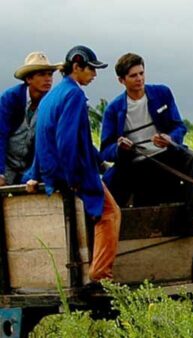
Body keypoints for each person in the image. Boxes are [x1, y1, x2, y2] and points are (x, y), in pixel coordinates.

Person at [25, 45, 121, 282]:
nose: (94, 75)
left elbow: (46, 138)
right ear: (76, 67)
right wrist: (74, 180)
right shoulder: (74, 95)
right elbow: (65, 141)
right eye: (91, 69)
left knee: (102, 208)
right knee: (111, 214)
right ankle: (101, 275)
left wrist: (36, 173)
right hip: (71, 174)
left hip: (54, 172)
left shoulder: (53, 95)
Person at [100, 52, 193, 234]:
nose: (139, 79)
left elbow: (179, 126)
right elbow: (106, 150)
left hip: (165, 155)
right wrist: (120, 148)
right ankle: (112, 226)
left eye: (141, 73)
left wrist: (170, 139)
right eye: (133, 76)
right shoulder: (114, 109)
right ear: (121, 80)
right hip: (136, 163)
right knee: (113, 182)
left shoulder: (162, 93)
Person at [0, 52, 60, 186]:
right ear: (29, 79)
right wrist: (0, 172)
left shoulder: (51, 103)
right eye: (42, 75)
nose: (48, 79)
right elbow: (0, 135)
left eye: (50, 74)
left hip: (30, 165)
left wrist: (35, 173)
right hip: (6, 163)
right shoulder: (11, 98)